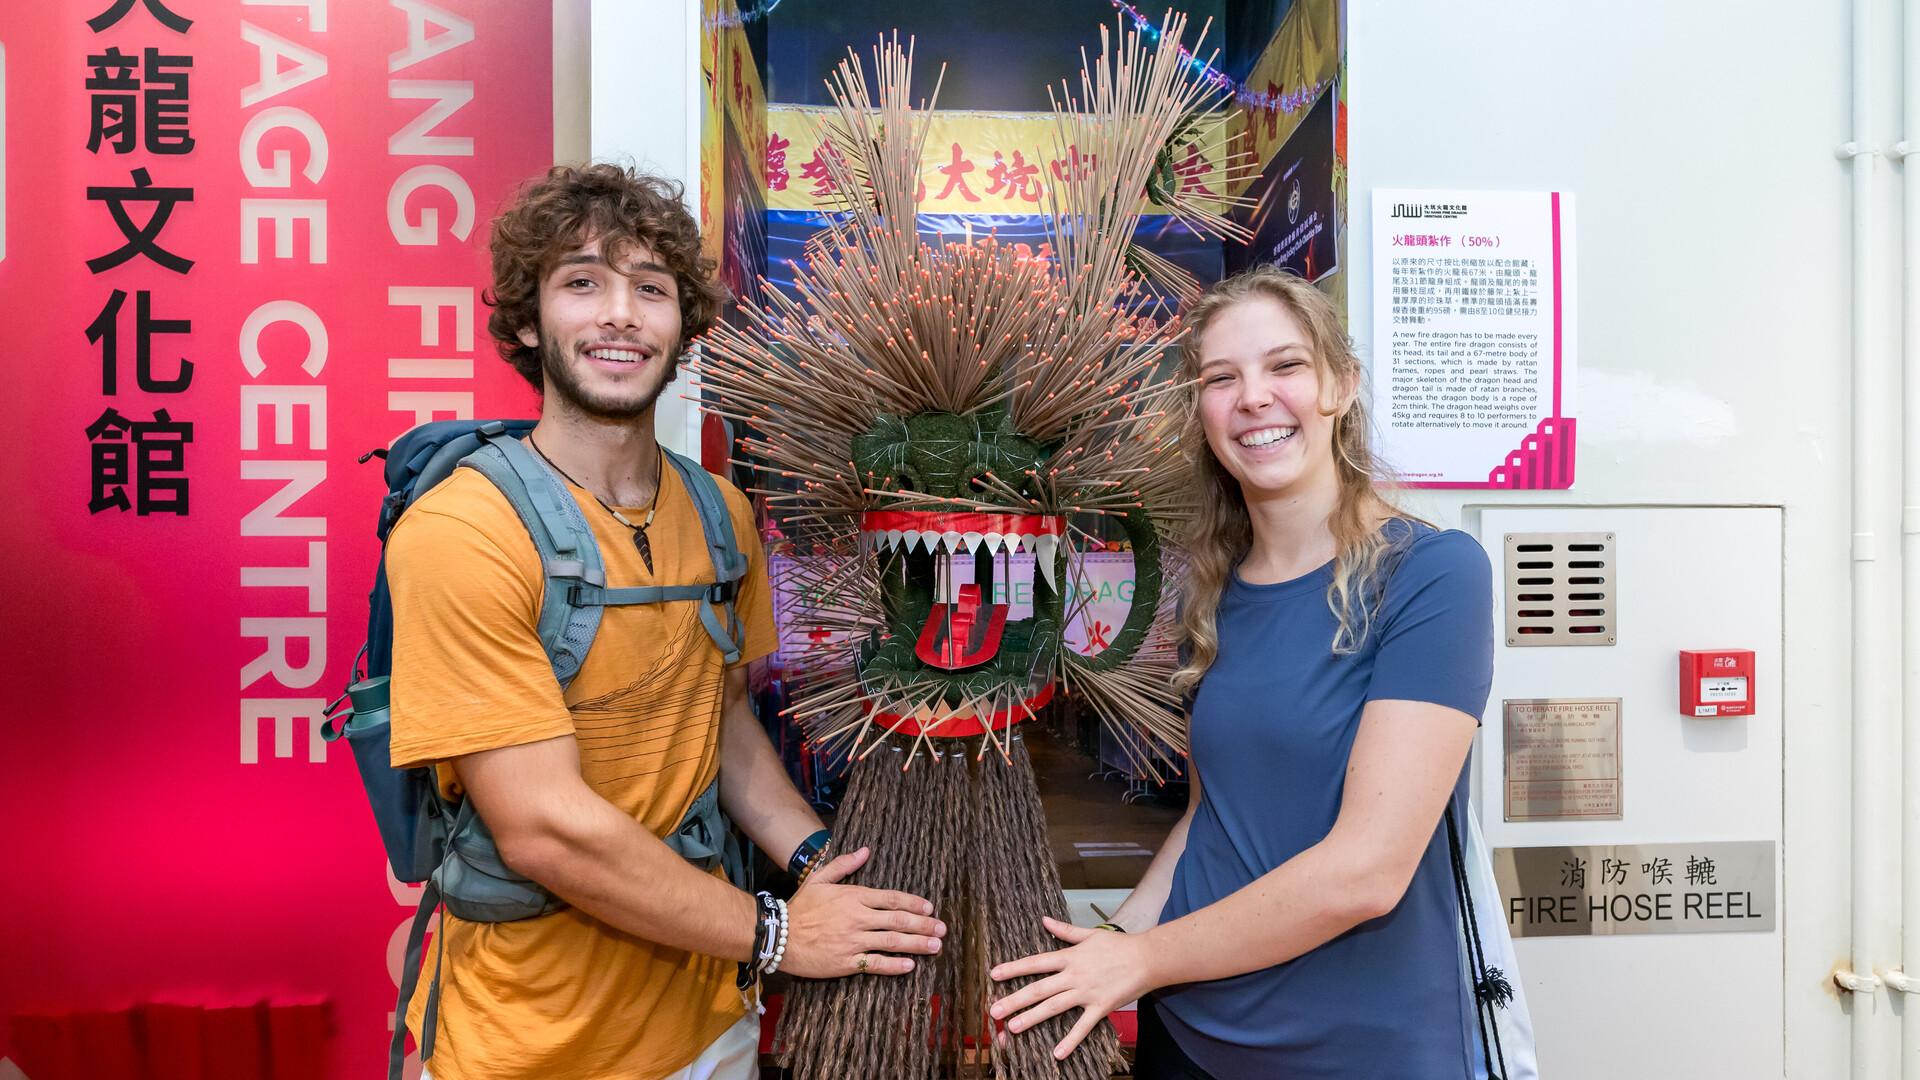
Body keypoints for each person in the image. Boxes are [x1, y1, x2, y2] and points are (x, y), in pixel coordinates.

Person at [385, 163, 946, 1080]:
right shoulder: (463, 530)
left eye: (650, 289)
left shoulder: (720, 515)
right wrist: (778, 931)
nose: (619, 314)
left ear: (682, 326)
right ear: (528, 321)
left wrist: (817, 862)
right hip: (531, 1042)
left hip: (707, 1018)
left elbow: (719, 724)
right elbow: (542, 827)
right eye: (582, 283)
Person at [988, 265, 1495, 1077]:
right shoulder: (1216, 590)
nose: (1253, 397)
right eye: (1221, 379)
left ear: (1341, 384)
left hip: (1353, 1053)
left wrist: (1144, 960)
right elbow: (1212, 817)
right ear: (1201, 413)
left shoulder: (1433, 576)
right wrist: (1117, 945)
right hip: (1188, 1032)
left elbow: (1367, 872)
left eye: (1285, 366)